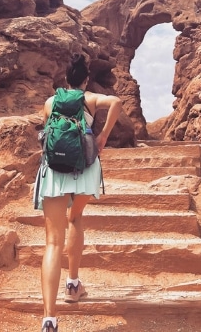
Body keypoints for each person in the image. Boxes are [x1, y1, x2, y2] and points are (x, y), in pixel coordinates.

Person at [36, 54, 122, 332]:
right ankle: (73, 284)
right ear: (84, 80)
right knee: (75, 219)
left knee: (52, 243)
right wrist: (103, 135)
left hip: (55, 172)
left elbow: (47, 132)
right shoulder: (92, 99)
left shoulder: (50, 103)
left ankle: (49, 318)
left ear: (65, 79)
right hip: (85, 168)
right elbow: (118, 103)